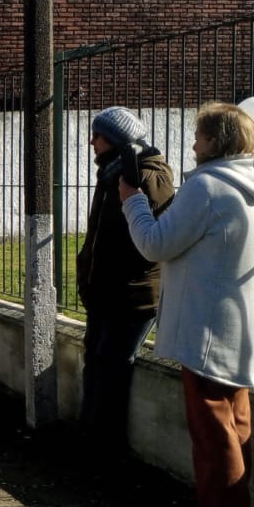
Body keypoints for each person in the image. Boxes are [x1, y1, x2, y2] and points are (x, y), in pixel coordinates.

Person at [118, 102, 254, 507]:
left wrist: (132, 200)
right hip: (247, 330)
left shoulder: (207, 187)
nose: (193, 145)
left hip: (205, 333)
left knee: (213, 439)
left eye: (200, 136)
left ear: (217, 141)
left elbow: (154, 244)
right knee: (237, 427)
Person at [77, 107, 175, 458]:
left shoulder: (148, 175)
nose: (92, 142)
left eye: (98, 136)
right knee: (96, 360)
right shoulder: (113, 172)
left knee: (114, 366)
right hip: (104, 292)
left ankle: (107, 449)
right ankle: (90, 436)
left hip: (132, 296)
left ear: (116, 140)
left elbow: (152, 239)